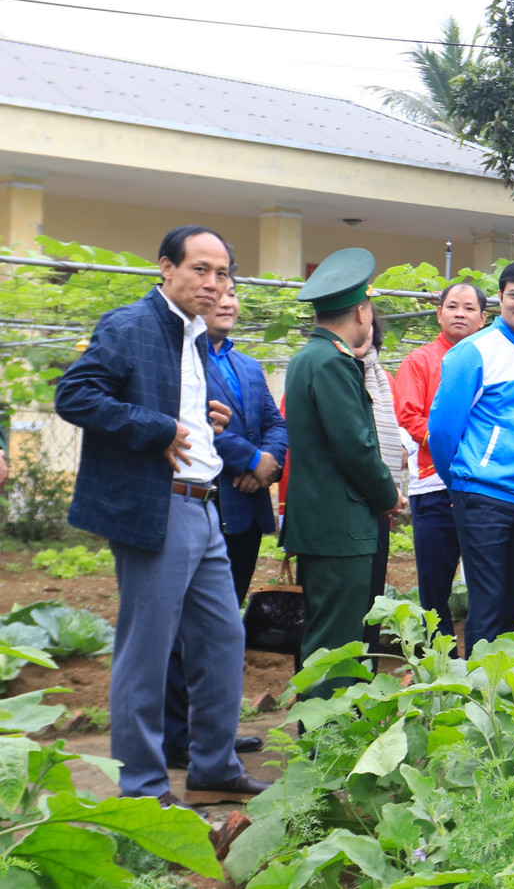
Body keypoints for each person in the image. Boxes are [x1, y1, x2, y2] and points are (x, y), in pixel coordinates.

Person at [54, 225, 267, 806]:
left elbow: (165, 401)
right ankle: (144, 788)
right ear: (166, 269)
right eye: (200, 269)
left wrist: (202, 416)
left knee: (223, 641)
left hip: (204, 505)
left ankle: (214, 765)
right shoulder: (130, 325)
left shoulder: (194, 336)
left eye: (222, 273)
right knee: (145, 653)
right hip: (157, 505)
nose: (212, 283)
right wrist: (158, 428)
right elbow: (74, 395)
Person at [164, 277, 283, 770]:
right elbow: (199, 425)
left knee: (221, 626)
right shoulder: (185, 358)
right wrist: (250, 462)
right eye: (220, 294)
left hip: (246, 510)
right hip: (209, 498)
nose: (228, 301)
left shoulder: (247, 364)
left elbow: (276, 423)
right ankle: (179, 736)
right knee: (181, 630)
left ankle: (215, 734)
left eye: (235, 294)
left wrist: (267, 460)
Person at [283, 248, 404, 701]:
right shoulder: (334, 361)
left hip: (322, 522)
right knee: (338, 644)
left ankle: (325, 736)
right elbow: (356, 447)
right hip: (341, 524)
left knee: (327, 636)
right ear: (360, 309)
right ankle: (326, 742)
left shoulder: (307, 357)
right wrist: (387, 494)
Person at [429, 259, 514, 656]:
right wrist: (461, 482)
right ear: (500, 298)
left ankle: (506, 685)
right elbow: (443, 430)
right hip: (482, 493)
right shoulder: (473, 352)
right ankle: (477, 690)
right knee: (487, 598)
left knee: (512, 598)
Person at [394, 282, 487, 649]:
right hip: (435, 485)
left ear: (483, 318)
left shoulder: (489, 359)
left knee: (486, 575)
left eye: (468, 308)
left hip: (484, 487)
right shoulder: (420, 361)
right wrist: (455, 449)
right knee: (435, 580)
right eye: (452, 307)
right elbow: (409, 415)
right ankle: (438, 654)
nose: (459, 314)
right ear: (439, 313)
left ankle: (483, 653)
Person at [357, 307, 406, 654]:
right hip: (349, 505)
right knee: (345, 604)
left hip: (379, 507)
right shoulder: (334, 370)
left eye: (369, 328)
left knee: (372, 592)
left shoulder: (381, 377)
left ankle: (367, 675)